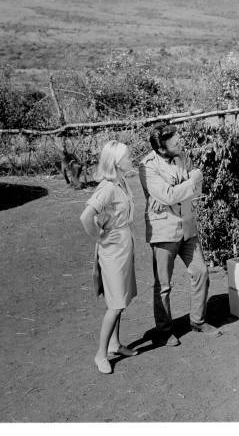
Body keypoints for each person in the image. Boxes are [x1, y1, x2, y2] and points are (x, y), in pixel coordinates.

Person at [138, 124, 221, 347]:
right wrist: (192, 181)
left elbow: (198, 186)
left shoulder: (182, 156)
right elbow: (168, 196)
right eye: (175, 143)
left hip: (187, 226)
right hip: (164, 230)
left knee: (201, 272)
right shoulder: (147, 167)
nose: (181, 144)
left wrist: (191, 183)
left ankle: (198, 321)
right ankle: (164, 330)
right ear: (162, 149)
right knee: (163, 284)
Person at [80, 140, 137, 374]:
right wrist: (99, 234)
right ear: (116, 162)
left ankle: (115, 343)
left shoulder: (120, 182)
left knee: (120, 298)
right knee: (114, 305)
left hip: (123, 245)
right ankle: (101, 354)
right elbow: (86, 217)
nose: (130, 158)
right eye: (127, 156)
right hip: (113, 248)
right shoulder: (107, 187)